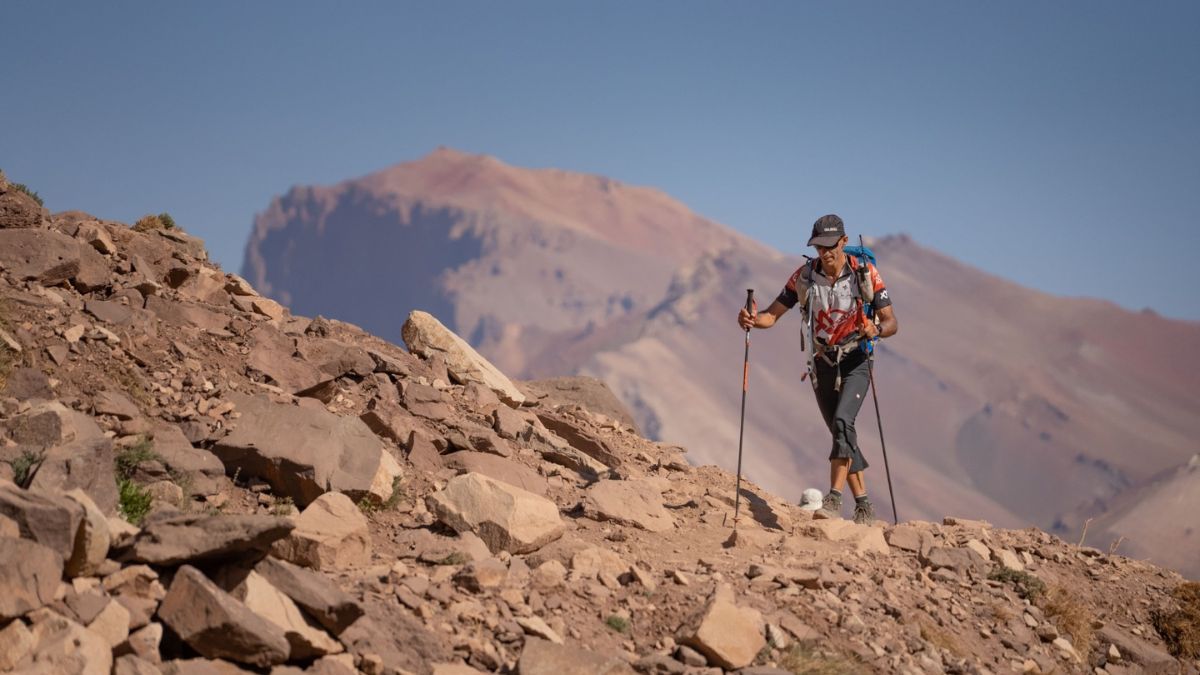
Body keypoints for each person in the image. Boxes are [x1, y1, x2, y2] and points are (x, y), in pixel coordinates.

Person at [737, 214, 898, 524]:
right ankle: (864, 505)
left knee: (841, 423)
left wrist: (874, 330)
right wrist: (750, 321)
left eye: (830, 247)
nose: (825, 253)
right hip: (821, 363)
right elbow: (771, 315)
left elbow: (891, 322)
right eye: (818, 247)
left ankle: (833, 500)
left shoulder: (865, 274)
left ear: (844, 242)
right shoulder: (804, 277)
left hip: (856, 359)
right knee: (841, 432)